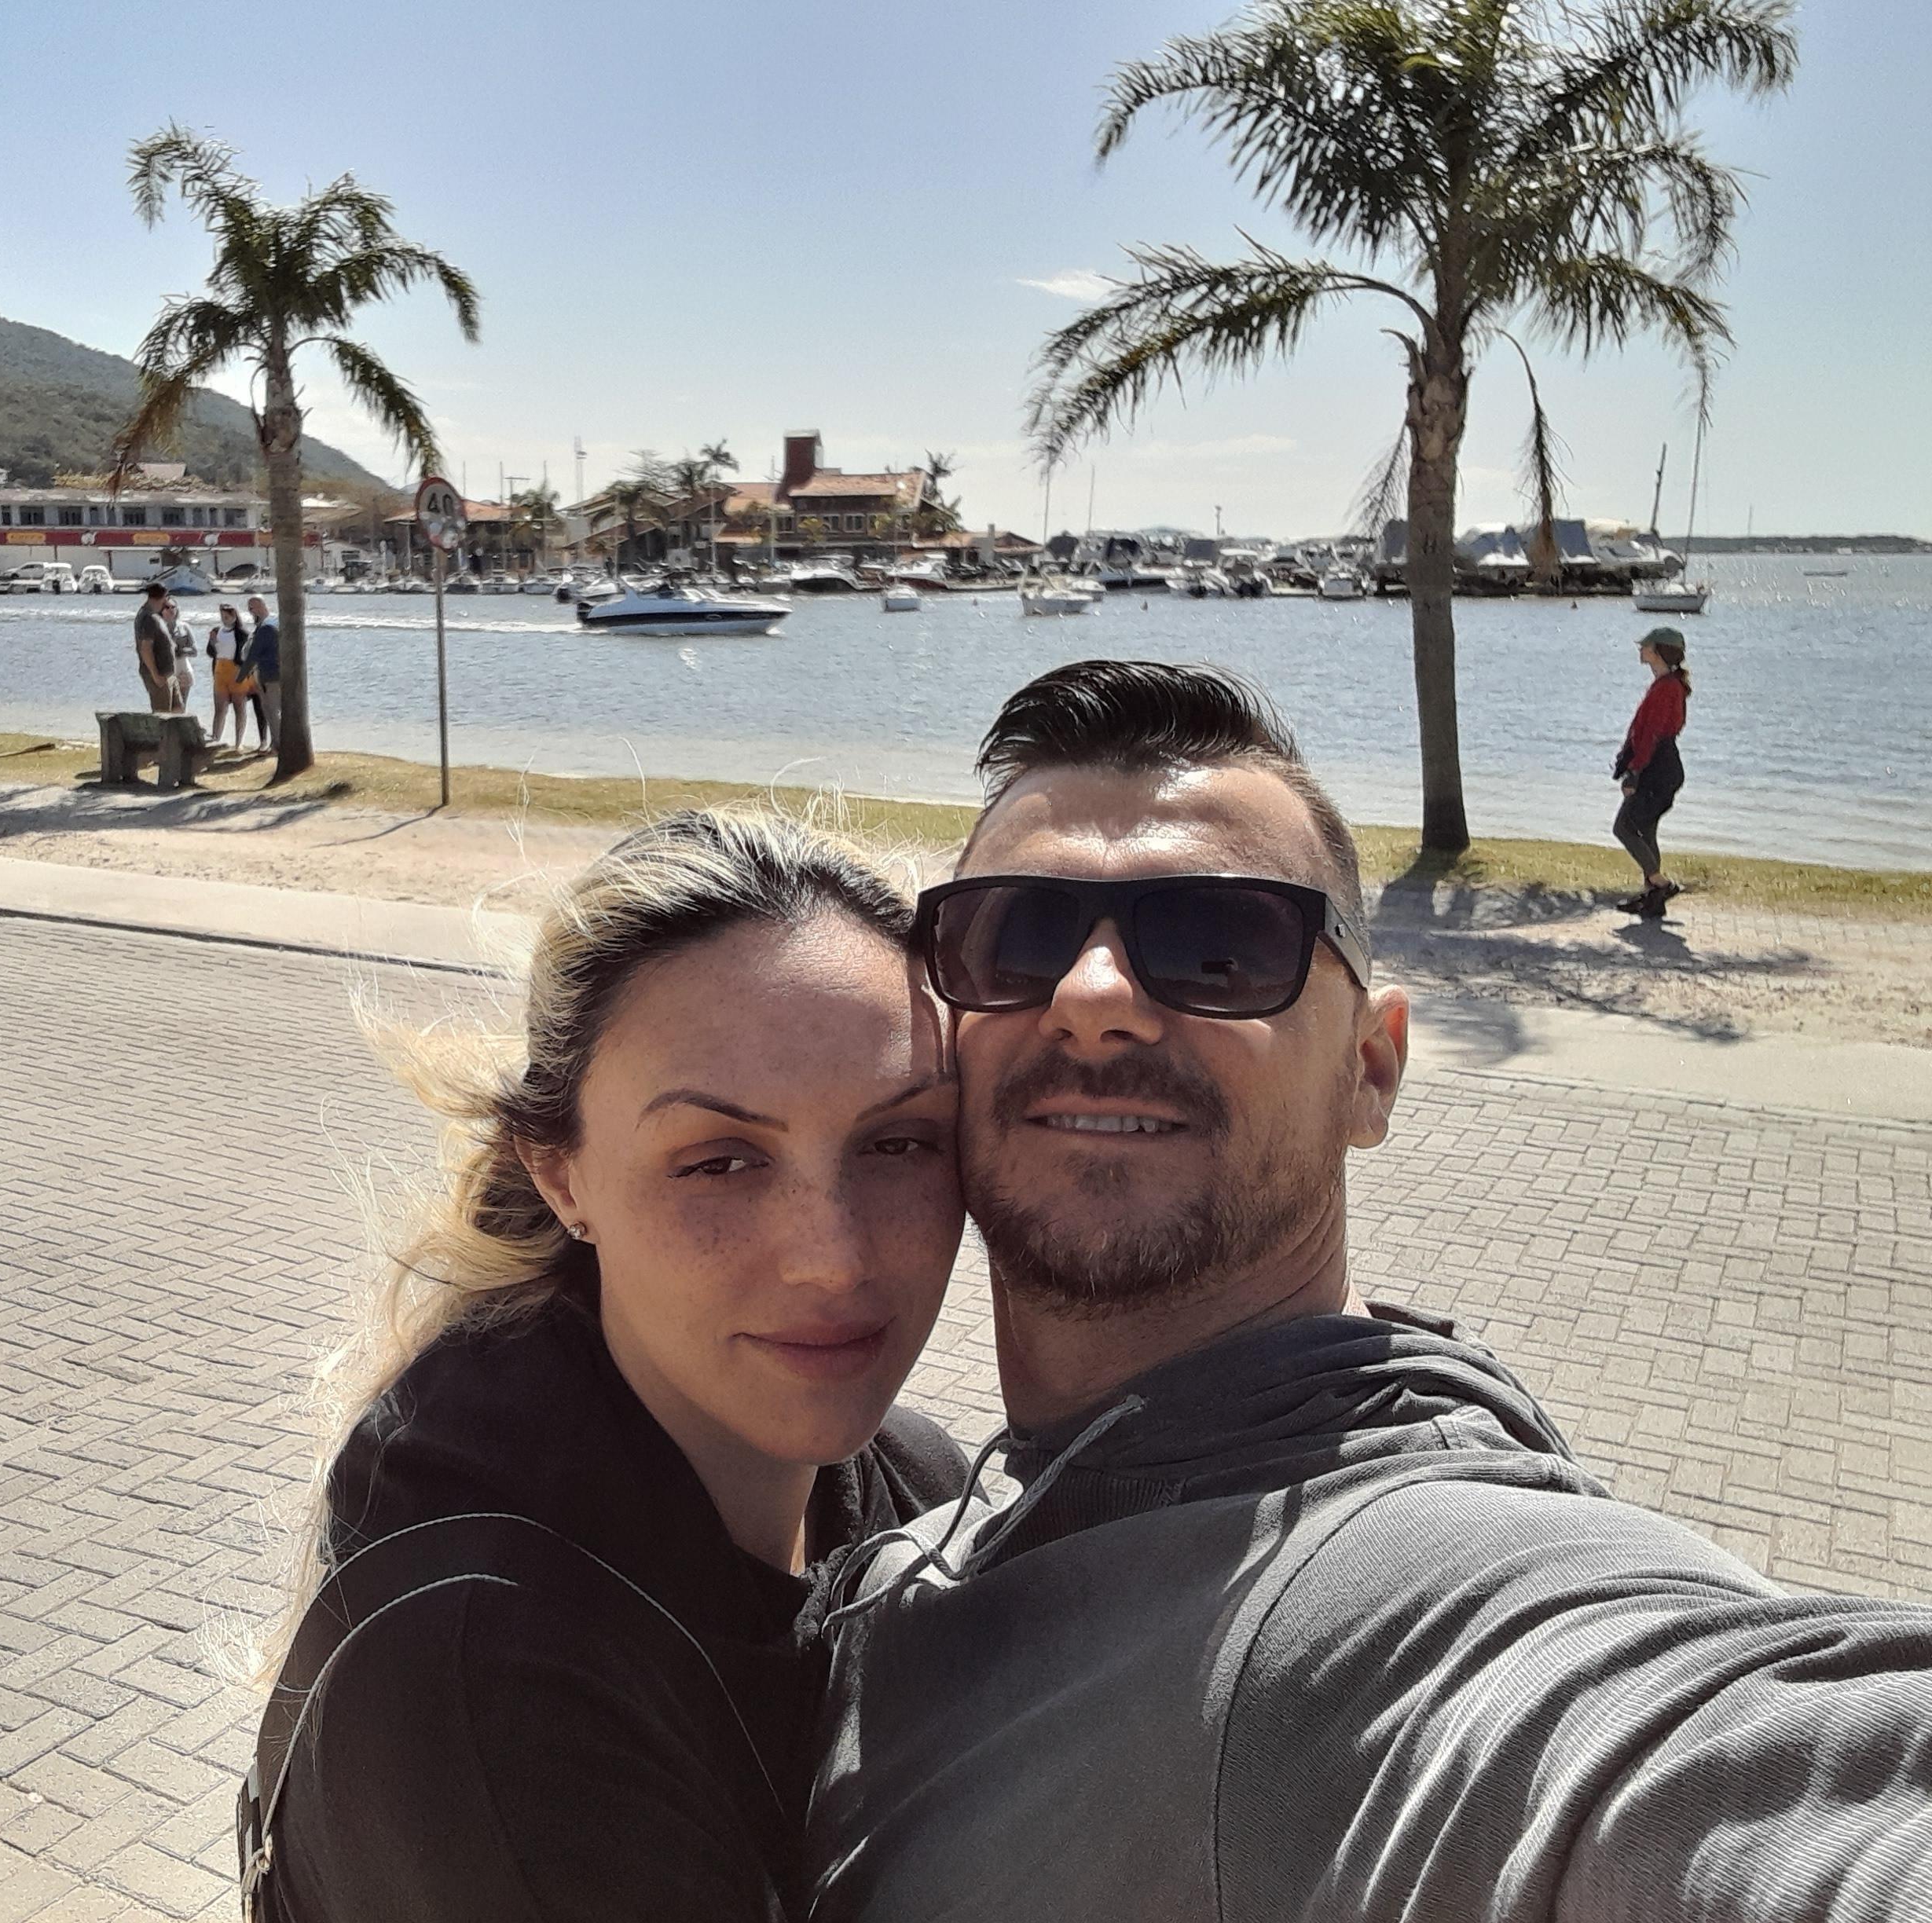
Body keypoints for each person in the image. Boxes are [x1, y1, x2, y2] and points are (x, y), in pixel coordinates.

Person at [807, 660, 1932, 1922]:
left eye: (1221, 945)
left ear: (1372, 1070)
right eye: (1015, 936)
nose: (1094, 997)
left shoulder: (1432, 1608)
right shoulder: (917, 1500)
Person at [244, 810, 972, 1922]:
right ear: (562, 1174)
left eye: (900, 1142)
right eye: (719, 1162)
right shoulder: (489, 1686)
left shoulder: (917, 1490)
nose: (833, 1258)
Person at [1613, 625, 1692, 918]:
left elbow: (1653, 735)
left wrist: (1635, 771)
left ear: (1658, 651)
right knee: (1645, 830)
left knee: (1624, 827)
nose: (1640, 649)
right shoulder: (1666, 684)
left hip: (1657, 767)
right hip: (1660, 764)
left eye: (1645, 645)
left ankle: (1661, 884)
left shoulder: (1667, 688)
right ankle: (1652, 899)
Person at [207, 603, 264, 751]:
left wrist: (247, 672)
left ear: (234, 617)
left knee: (240, 708)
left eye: (227, 617)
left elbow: (248, 654)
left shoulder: (242, 633)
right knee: (220, 709)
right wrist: (212, 643)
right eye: (222, 617)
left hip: (237, 671)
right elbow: (211, 652)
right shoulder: (217, 631)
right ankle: (215, 739)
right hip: (220, 672)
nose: (224, 620)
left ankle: (239, 743)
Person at [132, 581, 181, 712]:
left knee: (178, 710)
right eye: (166, 597)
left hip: (168, 674)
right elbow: (145, 649)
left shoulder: (155, 614)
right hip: (159, 675)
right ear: (163, 597)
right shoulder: (149, 618)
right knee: (163, 714)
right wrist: (155, 675)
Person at [244, 595, 281, 747]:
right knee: (267, 709)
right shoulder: (259, 627)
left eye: (252, 608)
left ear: (260, 606)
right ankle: (274, 742)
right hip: (260, 673)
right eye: (249, 609)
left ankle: (279, 743)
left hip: (272, 673)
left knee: (273, 709)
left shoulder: (271, 624)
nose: (251, 611)